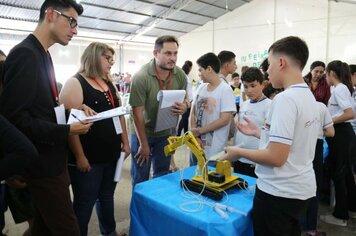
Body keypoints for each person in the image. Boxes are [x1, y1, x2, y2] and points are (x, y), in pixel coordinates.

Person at [0, 0, 93, 235]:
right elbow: (15, 119)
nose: (75, 29)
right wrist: (67, 130)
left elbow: (40, 107)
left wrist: (71, 111)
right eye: (71, 21)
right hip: (41, 165)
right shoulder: (25, 54)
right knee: (67, 229)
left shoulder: (42, 54)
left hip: (51, 159)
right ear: (51, 14)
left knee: (43, 228)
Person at [220, 36, 319, 235]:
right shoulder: (307, 96)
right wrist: (259, 133)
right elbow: (294, 141)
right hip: (300, 188)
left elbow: (276, 157)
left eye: (269, 63)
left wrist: (238, 151)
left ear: (281, 62)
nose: (267, 70)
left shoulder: (285, 99)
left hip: (279, 193)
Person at [59, 42, 130, 236]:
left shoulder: (108, 82)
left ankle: (110, 232)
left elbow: (119, 113)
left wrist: (125, 141)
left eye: (112, 58)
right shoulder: (75, 83)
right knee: (84, 202)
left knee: (106, 197)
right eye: (107, 58)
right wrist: (80, 156)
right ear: (93, 57)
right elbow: (69, 126)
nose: (111, 62)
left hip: (111, 153)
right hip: (89, 158)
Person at [129, 35, 188, 186]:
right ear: (156, 53)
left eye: (175, 53)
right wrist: (143, 143)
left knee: (162, 177)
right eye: (168, 53)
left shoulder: (180, 75)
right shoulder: (141, 77)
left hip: (165, 134)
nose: (173, 58)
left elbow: (186, 99)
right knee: (140, 179)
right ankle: (139, 209)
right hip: (143, 133)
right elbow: (137, 114)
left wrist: (185, 106)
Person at [320, 60, 356, 226]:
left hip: (341, 134)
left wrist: (330, 121)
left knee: (339, 174)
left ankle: (340, 215)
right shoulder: (340, 88)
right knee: (346, 173)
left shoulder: (340, 88)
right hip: (344, 134)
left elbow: (349, 114)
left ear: (332, 73)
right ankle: (351, 208)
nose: (325, 77)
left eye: (326, 74)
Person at [189, 52, 236, 165]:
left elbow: (225, 120)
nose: (199, 74)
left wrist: (199, 131)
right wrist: (195, 135)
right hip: (196, 144)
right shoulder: (201, 87)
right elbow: (193, 112)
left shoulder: (225, 90)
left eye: (200, 70)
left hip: (214, 150)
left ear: (209, 69)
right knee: (193, 177)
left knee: (210, 179)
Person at [232, 67, 271, 177]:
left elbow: (269, 135)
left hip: (255, 161)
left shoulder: (269, 105)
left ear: (262, 84)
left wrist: (261, 159)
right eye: (246, 86)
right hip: (239, 158)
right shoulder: (244, 104)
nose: (249, 90)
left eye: (253, 86)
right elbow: (239, 131)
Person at [302, 102, 334, 236]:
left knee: (298, 181)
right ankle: (310, 228)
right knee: (313, 185)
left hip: (297, 144)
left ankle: (298, 223)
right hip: (316, 144)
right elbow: (331, 132)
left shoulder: (290, 103)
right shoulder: (321, 106)